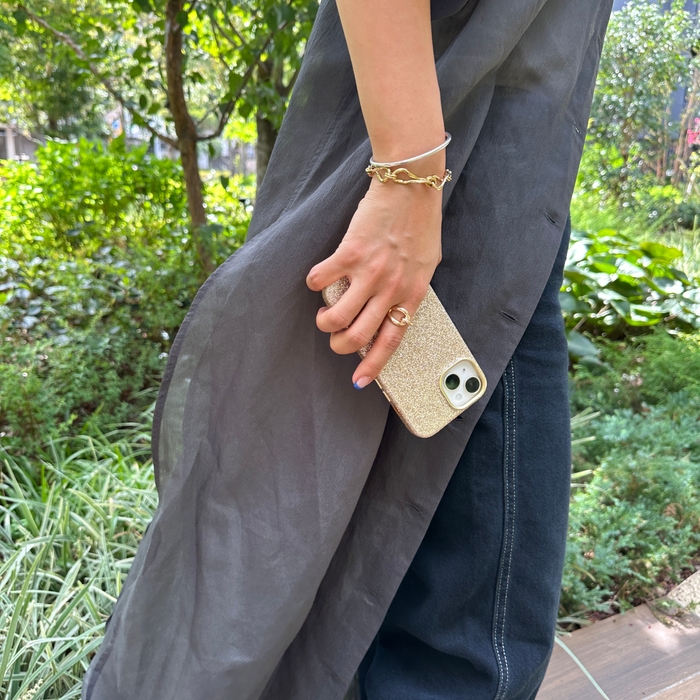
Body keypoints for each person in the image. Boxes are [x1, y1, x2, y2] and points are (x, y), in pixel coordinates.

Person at [81, 1, 614, 699]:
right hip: (454, 171)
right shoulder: (426, 187)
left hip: (487, 170)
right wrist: (408, 178)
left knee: (402, 600)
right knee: (465, 650)